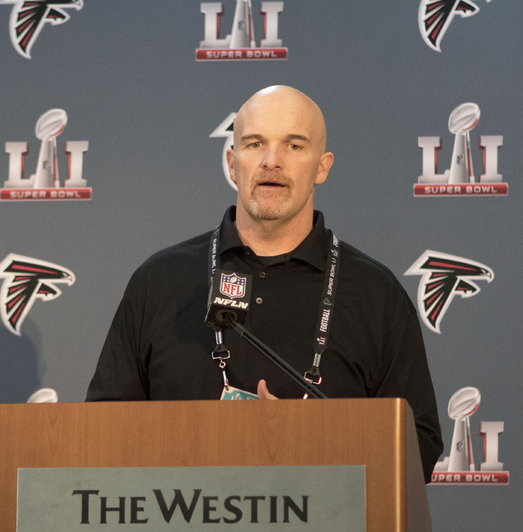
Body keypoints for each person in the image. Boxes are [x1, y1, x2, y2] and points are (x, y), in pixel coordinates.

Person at [87, 85, 443, 482]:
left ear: (322, 167)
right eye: (255, 144)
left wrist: (306, 443)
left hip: (321, 521)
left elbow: (420, 445)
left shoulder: (375, 293)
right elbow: (102, 427)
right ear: (232, 162)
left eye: (294, 145)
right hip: (181, 519)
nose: (272, 161)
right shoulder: (160, 280)